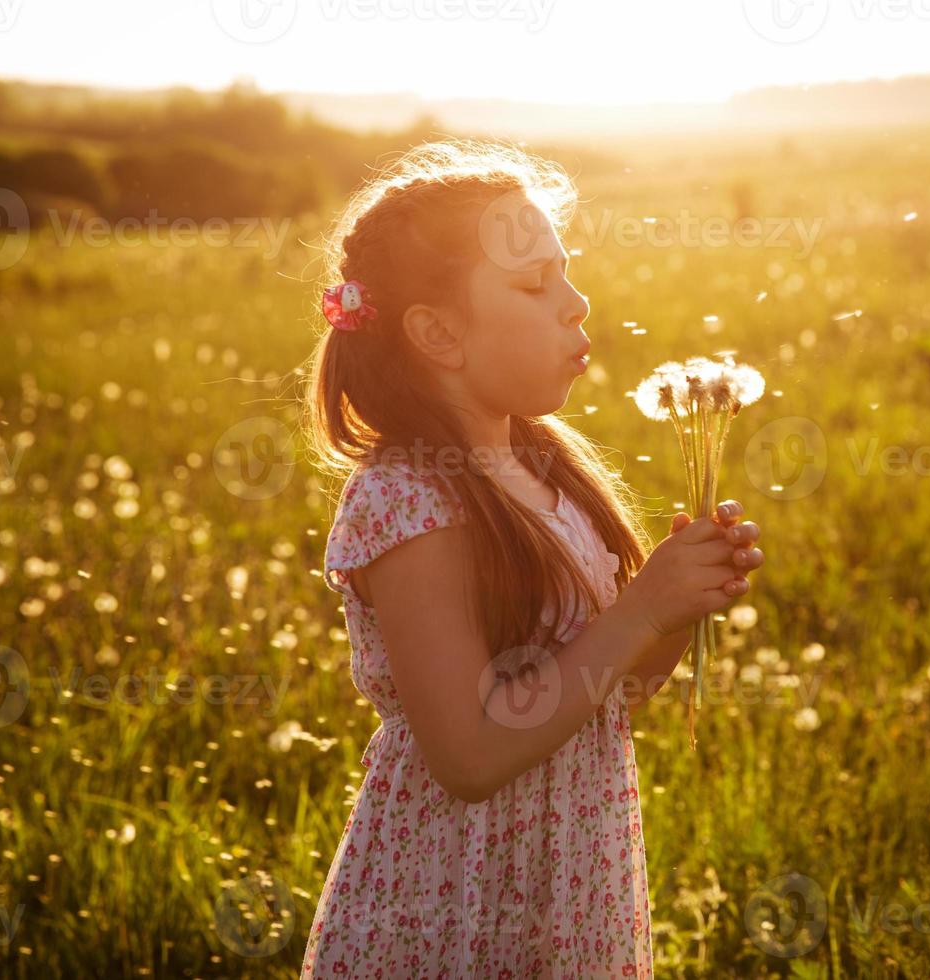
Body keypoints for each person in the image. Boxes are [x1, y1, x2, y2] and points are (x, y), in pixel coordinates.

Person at [298, 138, 765, 979]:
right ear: (438, 332)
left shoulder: (546, 467)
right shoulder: (409, 498)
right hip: (454, 903)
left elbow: (606, 692)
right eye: (532, 285)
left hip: (572, 886)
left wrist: (672, 605)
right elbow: (470, 754)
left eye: (567, 272)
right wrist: (640, 612)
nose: (577, 305)